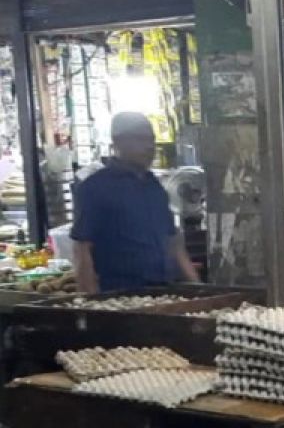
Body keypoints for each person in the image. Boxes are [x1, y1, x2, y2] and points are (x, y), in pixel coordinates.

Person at [70, 112, 199, 293]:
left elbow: (174, 244)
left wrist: (199, 289)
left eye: (151, 140)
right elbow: (82, 250)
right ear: (117, 143)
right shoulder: (95, 188)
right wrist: (91, 307)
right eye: (140, 139)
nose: (149, 147)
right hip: (119, 296)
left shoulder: (154, 187)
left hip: (164, 292)